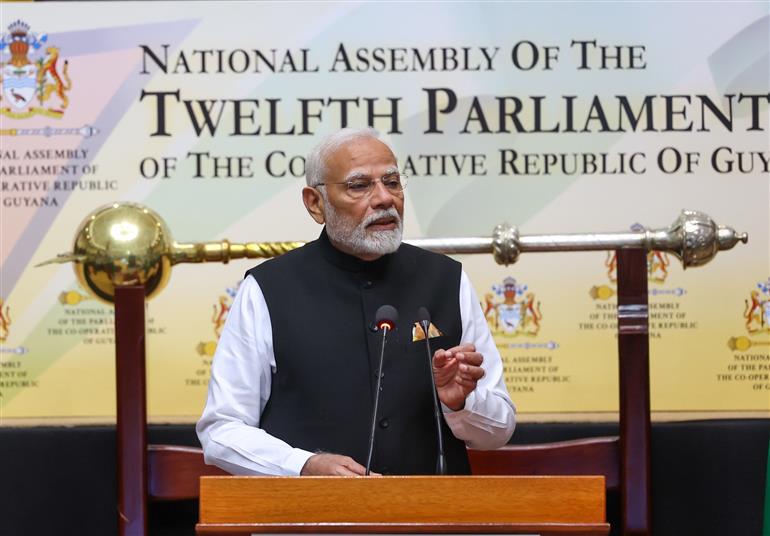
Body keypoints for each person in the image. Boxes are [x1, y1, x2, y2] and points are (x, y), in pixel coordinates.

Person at [197, 128, 515, 476]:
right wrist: (304, 466)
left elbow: (498, 431)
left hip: (428, 520)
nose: (384, 199)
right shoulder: (267, 289)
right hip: (310, 522)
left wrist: (461, 403)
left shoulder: (446, 280)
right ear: (315, 203)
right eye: (359, 186)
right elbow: (222, 430)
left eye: (392, 182)